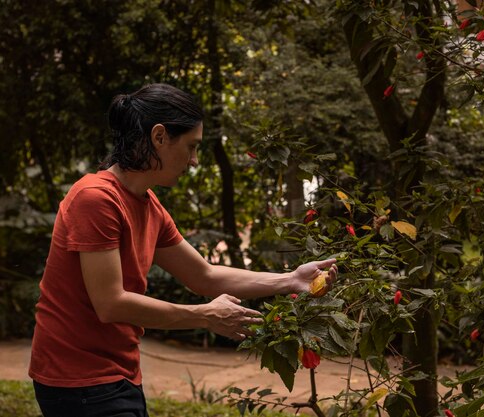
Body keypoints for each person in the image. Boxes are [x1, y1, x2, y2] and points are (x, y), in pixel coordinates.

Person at [28, 83, 338, 417]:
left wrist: (291, 280)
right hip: (76, 378)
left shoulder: (149, 206)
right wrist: (204, 315)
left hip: (118, 372)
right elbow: (110, 303)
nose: (193, 161)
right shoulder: (95, 199)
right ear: (159, 137)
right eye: (191, 147)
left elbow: (203, 275)